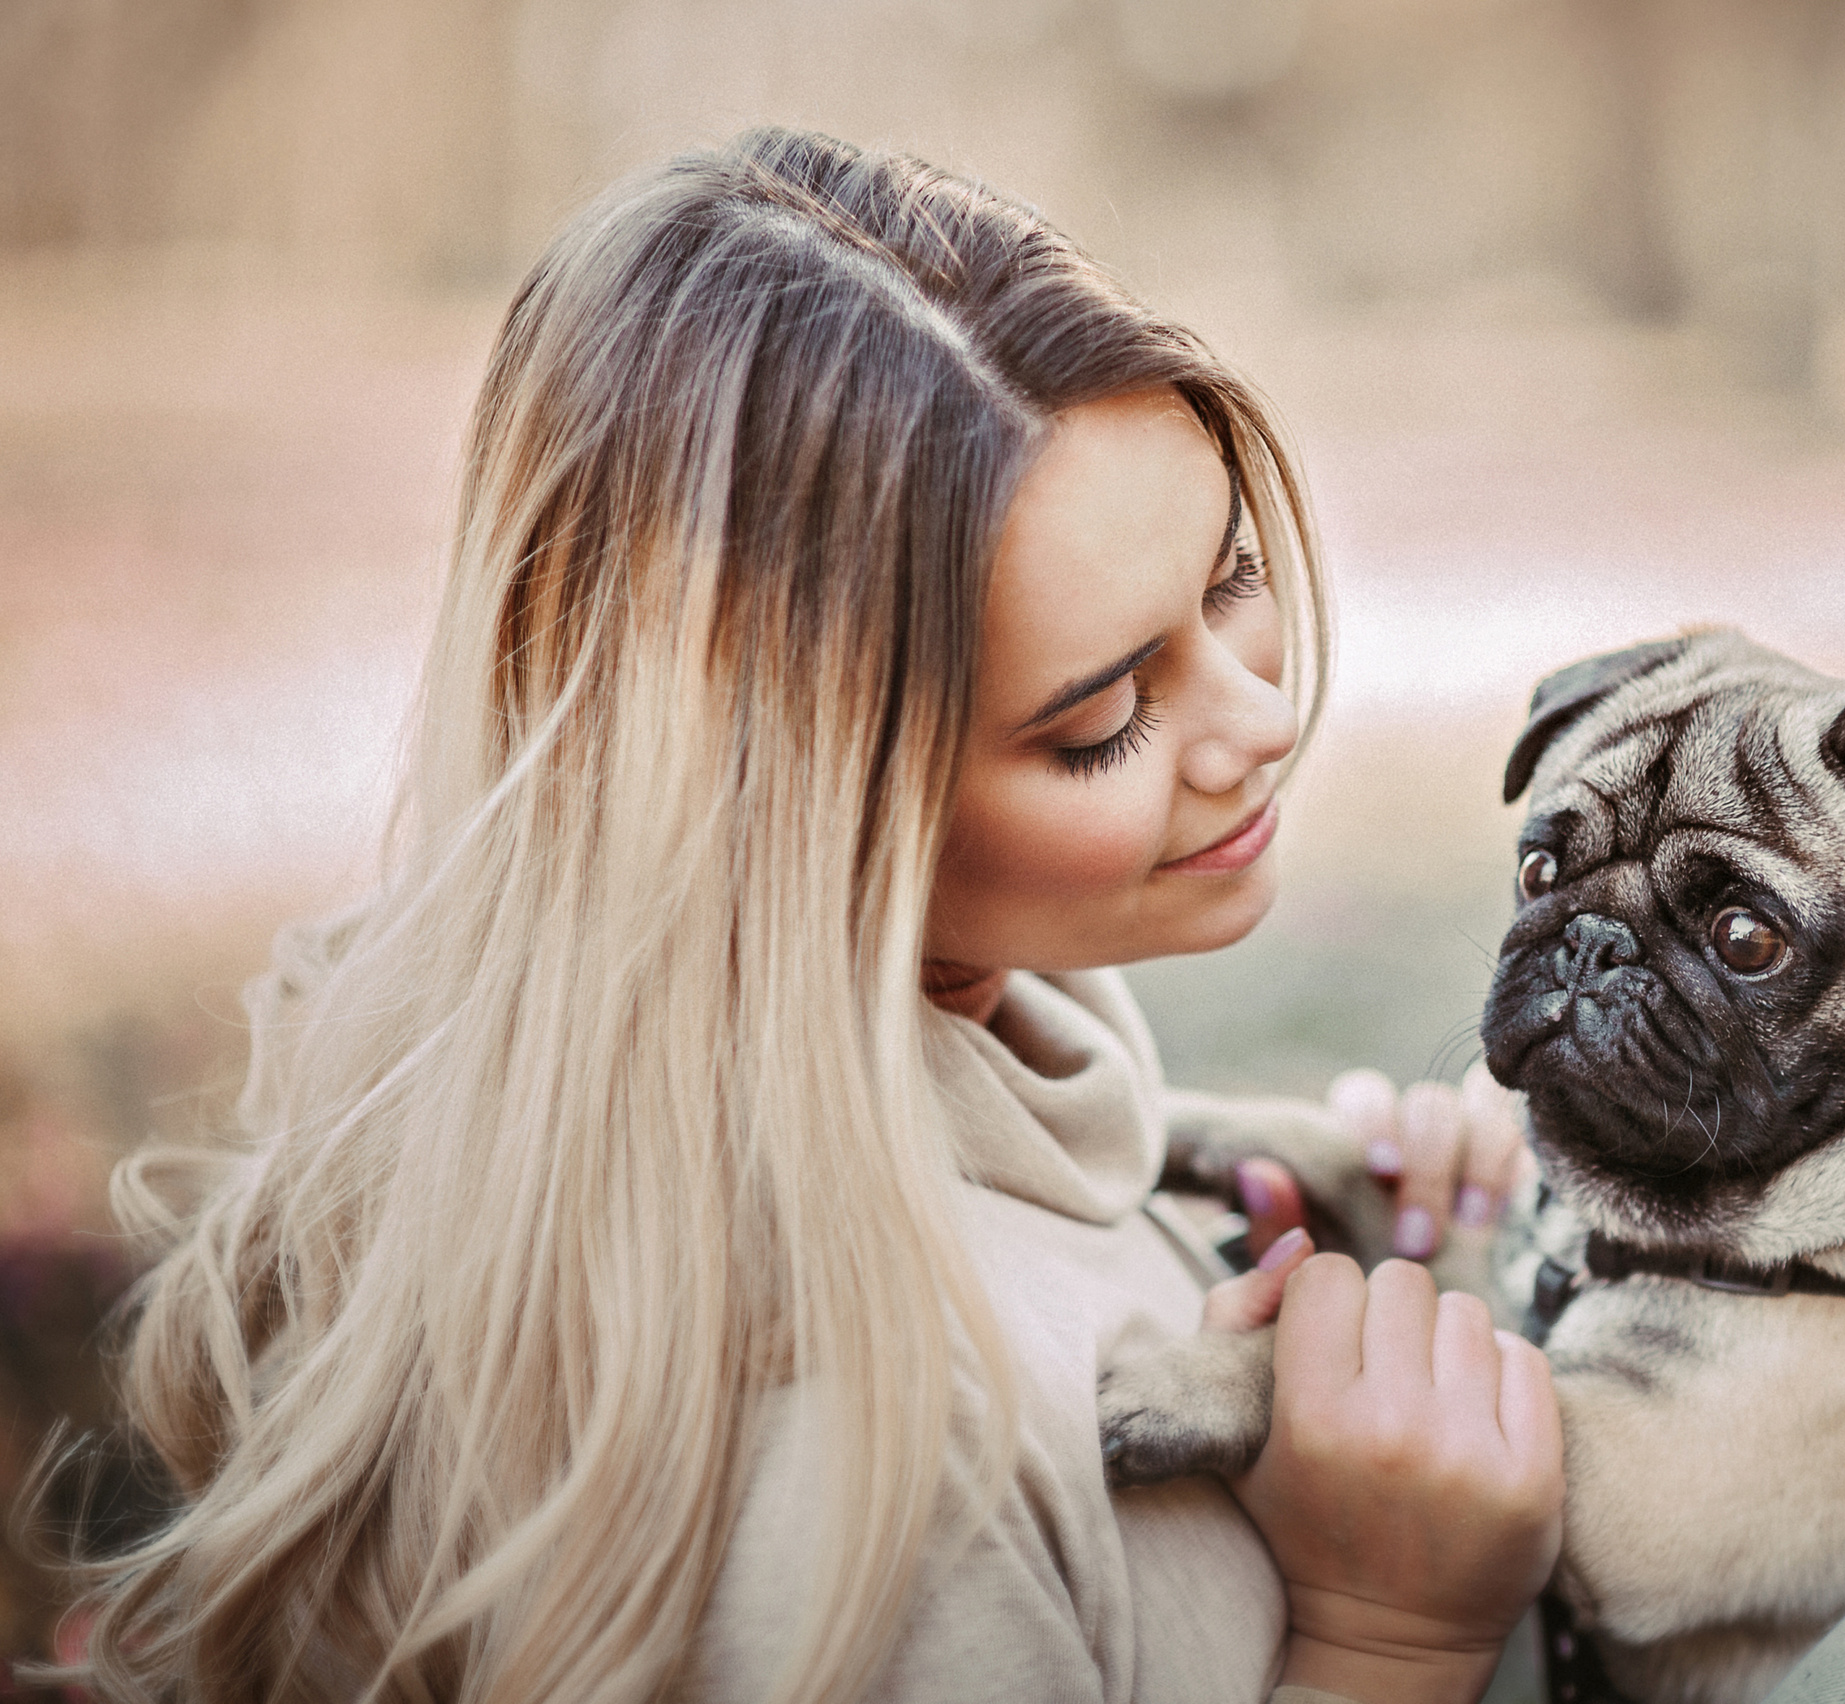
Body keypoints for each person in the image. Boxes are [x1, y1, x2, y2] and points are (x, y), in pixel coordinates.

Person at [57, 127, 1555, 1704]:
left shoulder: (960, 1052)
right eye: (1105, 717)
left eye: (1232, 575)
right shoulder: (876, 1467)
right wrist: (1392, 1637)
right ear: (794, 806)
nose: (1257, 719)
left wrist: (1397, 1292)